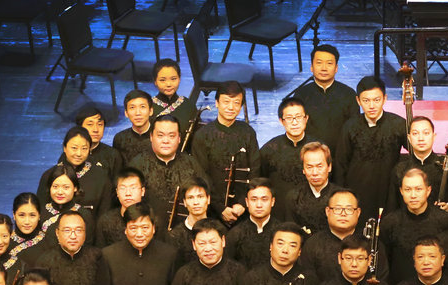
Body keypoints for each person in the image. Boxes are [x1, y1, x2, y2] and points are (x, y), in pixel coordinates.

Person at [335, 75, 407, 221]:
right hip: (358, 189)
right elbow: (341, 163)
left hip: (388, 190)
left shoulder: (398, 124)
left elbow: (415, 151)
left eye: (377, 100)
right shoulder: (350, 126)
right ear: (358, 101)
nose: (372, 106)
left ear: (385, 99)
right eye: (366, 101)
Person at [191, 81, 261, 224]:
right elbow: (201, 175)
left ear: (241, 106)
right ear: (216, 103)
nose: (231, 107)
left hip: (243, 209)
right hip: (212, 209)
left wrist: (242, 203)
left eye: (236, 103)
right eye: (226, 102)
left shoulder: (248, 132)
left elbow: (255, 170)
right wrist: (220, 207)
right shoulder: (202, 135)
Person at [379, 168, 448, 285]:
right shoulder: (390, 222)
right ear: (401, 191)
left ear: (428, 191)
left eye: (418, 189)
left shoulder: (446, 221)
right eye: (408, 189)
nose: (413, 195)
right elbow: (384, 263)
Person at [128, 115, 206, 226]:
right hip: (147, 231)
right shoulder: (137, 165)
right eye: (160, 135)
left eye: (171, 136)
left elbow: (205, 196)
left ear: (179, 138)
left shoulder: (191, 163)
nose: (166, 141)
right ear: (151, 137)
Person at [301, 189, 390, 282]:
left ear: (358, 212)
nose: (343, 214)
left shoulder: (372, 243)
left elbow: (381, 281)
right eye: (337, 209)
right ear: (327, 211)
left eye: (349, 209)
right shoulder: (313, 244)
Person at [293, 44, 359, 155]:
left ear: (336, 68)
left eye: (329, 63)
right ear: (311, 67)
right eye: (319, 63)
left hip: (341, 155)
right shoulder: (301, 94)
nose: (324, 68)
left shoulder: (348, 94)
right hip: (309, 155)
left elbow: (354, 129)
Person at [35, 211, 103, 285]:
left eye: (78, 230)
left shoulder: (98, 257)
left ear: (85, 233)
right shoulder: (44, 261)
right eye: (67, 230)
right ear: (57, 233)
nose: (73, 236)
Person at [260, 97, 318, 220]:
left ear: (306, 118)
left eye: (298, 117)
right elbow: (262, 179)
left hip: (311, 210)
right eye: (289, 118)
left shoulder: (318, 148)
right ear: (281, 121)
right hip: (280, 212)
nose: (295, 122)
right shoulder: (270, 149)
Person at [38, 126, 113, 219]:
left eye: (84, 148)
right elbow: (40, 210)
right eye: (74, 148)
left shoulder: (101, 177)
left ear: (89, 150)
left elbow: (104, 214)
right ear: (64, 148)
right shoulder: (49, 175)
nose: (78, 153)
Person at [390, 116, 448, 210]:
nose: (421, 138)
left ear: (433, 136)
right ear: (409, 138)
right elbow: (392, 205)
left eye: (426, 133)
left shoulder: (446, 166)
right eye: (415, 134)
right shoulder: (400, 169)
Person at [226, 179, 280, 269]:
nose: (259, 205)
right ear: (247, 202)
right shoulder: (235, 234)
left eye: (264, 199)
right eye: (254, 199)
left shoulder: (281, 232)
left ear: (273, 201)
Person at [39, 163, 95, 247]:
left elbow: (88, 247)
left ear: (75, 188)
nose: (60, 192)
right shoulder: (40, 213)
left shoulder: (84, 215)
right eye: (55, 187)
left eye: (66, 187)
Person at [289, 141, 339, 235]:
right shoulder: (294, 197)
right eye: (309, 167)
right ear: (303, 170)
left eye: (319, 166)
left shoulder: (340, 196)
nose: (315, 172)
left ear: (329, 167)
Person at [95, 167, 146, 248]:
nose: (128, 193)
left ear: (142, 191)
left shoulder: (153, 220)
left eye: (133, 188)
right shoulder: (105, 221)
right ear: (117, 192)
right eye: (123, 188)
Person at [166, 177, 210, 263]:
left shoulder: (218, 230)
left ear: (208, 199)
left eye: (200, 197)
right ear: (185, 202)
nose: (196, 202)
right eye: (190, 198)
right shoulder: (175, 236)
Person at [75, 105, 123, 180]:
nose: (96, 129)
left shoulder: (113, 155)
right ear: (80, 127)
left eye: (100, 124)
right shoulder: (71, 153)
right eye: (90, 124)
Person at [151, 59, 197, 135]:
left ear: (179, 79)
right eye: (162, 80)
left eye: (173, 79)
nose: (168, 84)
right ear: (155, 81)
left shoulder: (189, 105)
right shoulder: (148, 106)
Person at [113, 89, 154, 164]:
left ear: (150, 111)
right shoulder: (120, 138)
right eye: (132, 107)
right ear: (126, 113)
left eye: (142, 107)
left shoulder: (159, 137)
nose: (138, 113)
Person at [11, 193, 49, 268]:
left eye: (32, 215)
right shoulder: (4, 242)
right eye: (21, 215)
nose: (27, 222)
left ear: (39, 215)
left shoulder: (48, 242)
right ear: (14, 215)